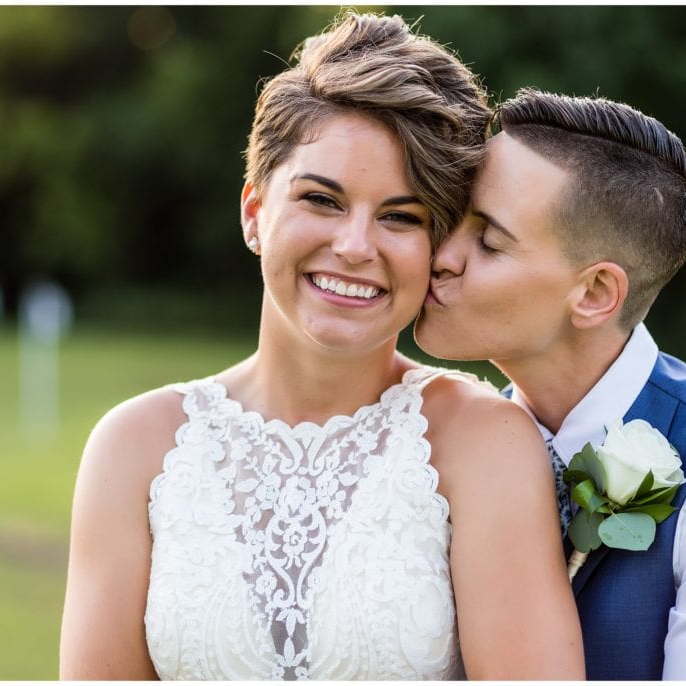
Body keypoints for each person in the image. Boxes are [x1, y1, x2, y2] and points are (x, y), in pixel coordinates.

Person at [59, 14, 584, 681]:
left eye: (401, 216)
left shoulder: (485, 443)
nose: (356, 247)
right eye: (322, 200)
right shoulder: (134, 448)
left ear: (436, 248)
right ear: (254, 211)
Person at [414, 89, 686, 680]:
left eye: (488, 241)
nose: (440, 255)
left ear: (593, 294)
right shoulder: (436, 446)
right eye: (452, 218)